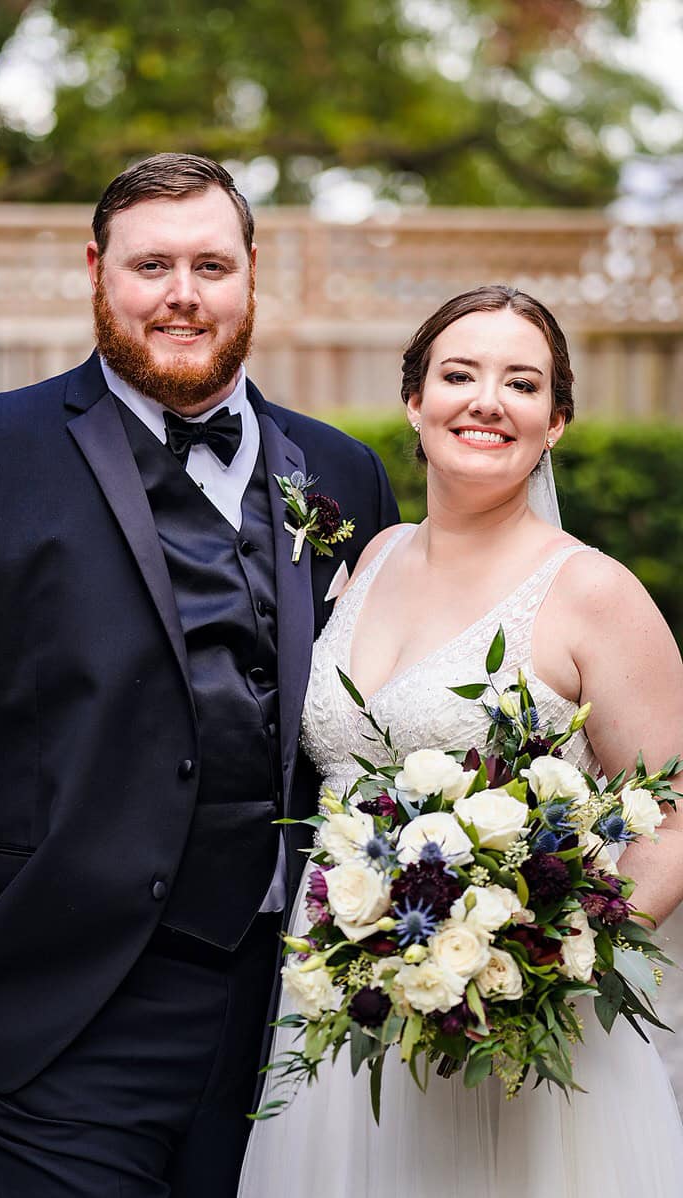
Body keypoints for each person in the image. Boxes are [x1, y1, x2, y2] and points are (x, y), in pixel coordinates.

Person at [0, 152, 401, 1196]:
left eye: (211, 266)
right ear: (96, 270)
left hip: (283, 1009)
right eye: (151, 265)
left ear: (250, 273)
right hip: (58, 1002)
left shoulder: (343, 472)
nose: (182, 295)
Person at [237, 285, 683, 1196]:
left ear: (555, 421)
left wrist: (540, 959)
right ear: (415, 401)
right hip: (344, 1002)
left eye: (522, 383)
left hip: (504, 1028)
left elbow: (674, 817)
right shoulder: (373, 557)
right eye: (459, 375)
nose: (487, 401)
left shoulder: (593, 593)